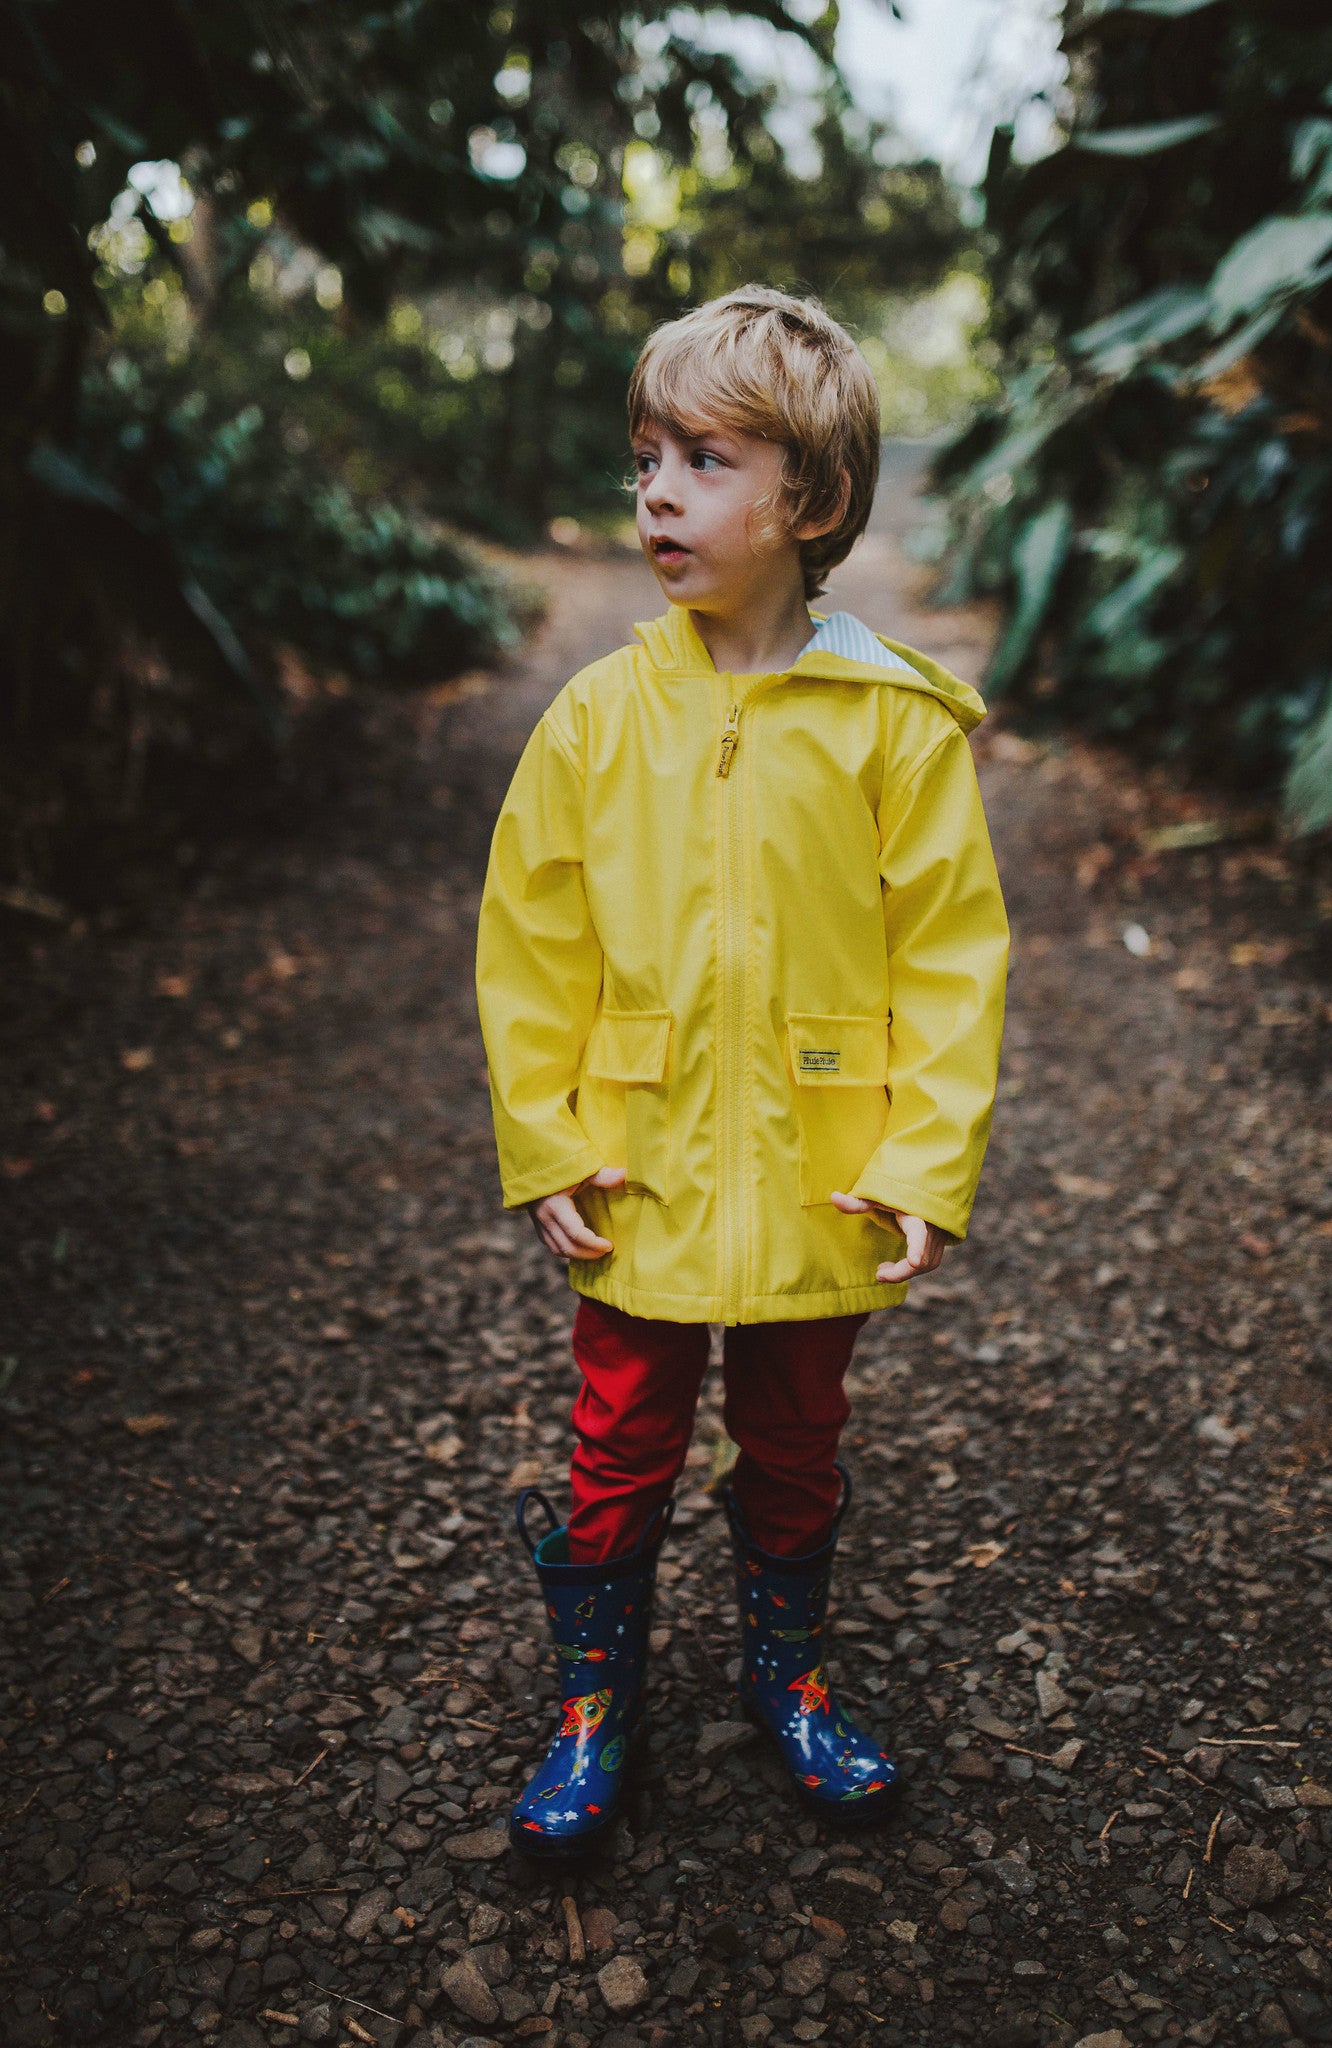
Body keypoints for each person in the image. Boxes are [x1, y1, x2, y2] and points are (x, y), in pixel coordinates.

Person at [475, 285, 1009, 1861]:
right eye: (644, 454)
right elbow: (531, 944)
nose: (653, 489)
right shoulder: (596, 718)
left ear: (814, 501)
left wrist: (923, 1158)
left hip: (816, 1162)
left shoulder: (892, 729)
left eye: (703, 458)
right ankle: (593, 1700)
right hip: (637, 1151)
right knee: (618, 1428)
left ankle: (791, 1670)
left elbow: (950, 958)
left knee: (796, 1432)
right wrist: (548, 1137)